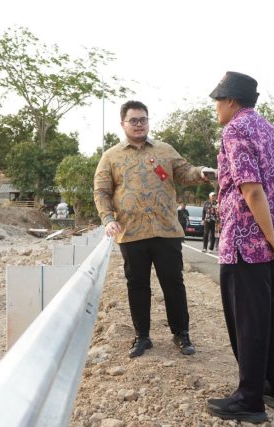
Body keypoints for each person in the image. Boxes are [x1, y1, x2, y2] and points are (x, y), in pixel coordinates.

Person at [206, 71, 274, 424]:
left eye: (218, 101)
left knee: (248, 323)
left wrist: (272, 237)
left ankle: (249, 399)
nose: (216, 107)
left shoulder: (235, 130)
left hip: (245, 244)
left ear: (232, 102)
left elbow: (251, 190)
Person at [93, 100, 216, 358]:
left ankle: (181, 335)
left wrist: (203, 172)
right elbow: (101, 192)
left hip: (166, 231)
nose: (139, 125)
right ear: (123, 124)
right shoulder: (111, 157)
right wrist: (107, 219)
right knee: (137, 286)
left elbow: (185, 172)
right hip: (131, 232)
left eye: (143, 119)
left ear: (148, 121)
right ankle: (142, 337)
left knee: (173, 284)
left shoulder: (164, 150)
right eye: (134, 120)